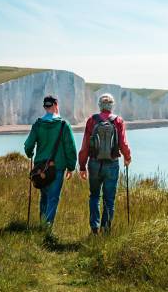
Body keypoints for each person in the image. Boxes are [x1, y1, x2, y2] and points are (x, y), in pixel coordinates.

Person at [79, 93, 131, 235]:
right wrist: (127, 157)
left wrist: (82, 166)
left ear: (100, 106)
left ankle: (94, 228)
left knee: (94, 196)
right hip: (112, 164)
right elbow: (123, 143)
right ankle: (105, 228)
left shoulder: (92, 120)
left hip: (94, 163)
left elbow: (85, 145)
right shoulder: (118, 121)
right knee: (109, 199)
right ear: (112, 106)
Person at [24, 95, 77, 227]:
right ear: (56, 105)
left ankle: (42, 225)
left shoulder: (38, 124)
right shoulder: (63, 125)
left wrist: (30, 153)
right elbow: (70, 147)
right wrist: (71, 167)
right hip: (57, 167)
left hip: (41, 168)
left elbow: (28, 145)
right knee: (53, 198)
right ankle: (47, 227)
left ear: (44, 107)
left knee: (44, 196)